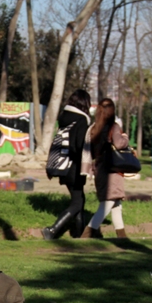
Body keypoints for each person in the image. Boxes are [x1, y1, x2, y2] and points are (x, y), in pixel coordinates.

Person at [42, 89, 91, 239]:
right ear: (84, 103)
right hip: (74, 167)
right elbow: (78, 145)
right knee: (77, 202)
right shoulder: (82, 120)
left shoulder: (65, 117)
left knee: (79, 199)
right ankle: (52, 230)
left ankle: (79, 234)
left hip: (63, 165)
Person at [84, 98, 130, 239]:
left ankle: (122, 236)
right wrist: (125, 138)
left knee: (116, 203)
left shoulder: (93, 128)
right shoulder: (113, 126)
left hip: (99, 167)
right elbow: (118, 143)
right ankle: (88, 232)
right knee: (108, 201)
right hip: (112, 169)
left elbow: (89, 149)